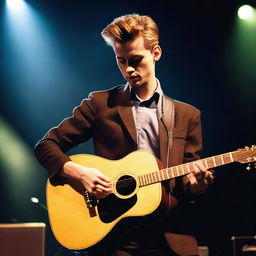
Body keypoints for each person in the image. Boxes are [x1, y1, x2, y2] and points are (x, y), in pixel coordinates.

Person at [35, 13, 215, 256]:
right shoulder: (100, 104)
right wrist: (80, 173)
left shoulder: (187, 115)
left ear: (156, 53)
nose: (128, 69)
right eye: (121, 61)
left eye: (136, 60)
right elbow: (46, 146)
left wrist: (196, 186)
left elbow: (186, 185)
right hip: (114, 234)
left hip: (169, 236)